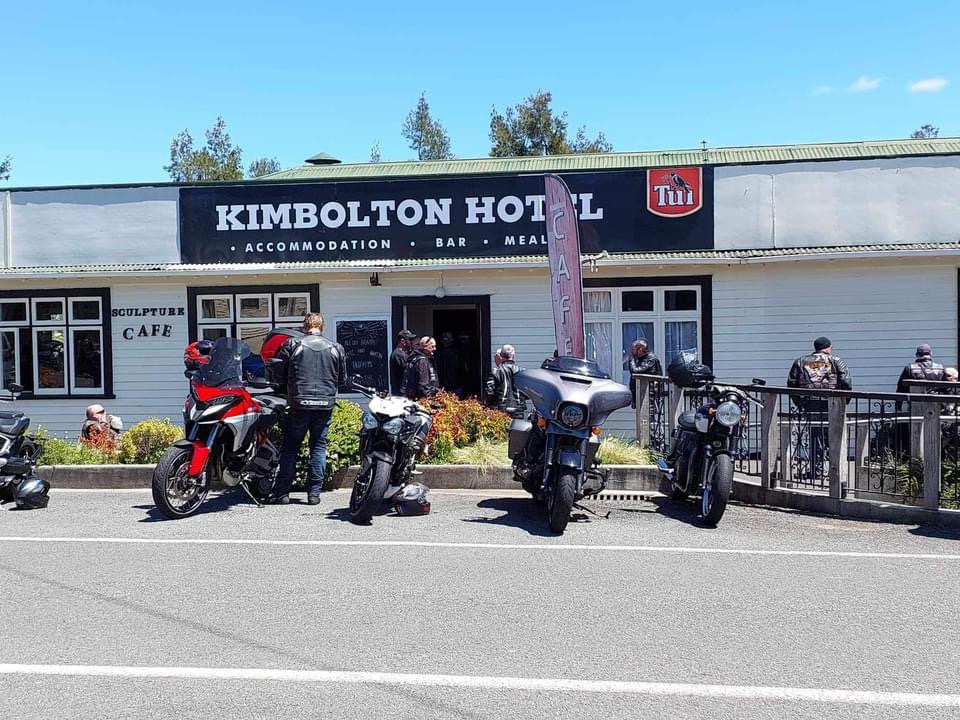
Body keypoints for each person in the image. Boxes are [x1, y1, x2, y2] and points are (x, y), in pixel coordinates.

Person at [268, 312, 347, 506]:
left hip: (299, 403)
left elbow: (278, 374)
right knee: (318, 448)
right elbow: (342, 380)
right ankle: (314, 494)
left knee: (290, 448)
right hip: (324, 404)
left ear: (305, 327)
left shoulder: (293, 344)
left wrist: (282, 389)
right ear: (322, 327)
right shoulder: (336, 348)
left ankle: (282, 493)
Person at [786, 336, 852, 480]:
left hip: (811, 403)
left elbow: (791, 384)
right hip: (833, 403)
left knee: (816, 436)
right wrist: (844, 402)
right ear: (828, 347)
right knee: (835, 436)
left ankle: (816, 470)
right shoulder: (836, 361)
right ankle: (836, 471)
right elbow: (846, 382)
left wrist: (800, 403)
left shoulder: (800, 361)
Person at [484, 344, 524, 415]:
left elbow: (489, 392)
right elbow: (528, 392)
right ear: (513, 356)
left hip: (501, 411)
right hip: (518, 410)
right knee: (518, 426)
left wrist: (491, 406)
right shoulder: (522, 372)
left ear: (501, 356)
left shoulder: (496, 371)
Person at [627, 339, 662, 409]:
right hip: (639, 392)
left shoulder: (650, 359)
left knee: (648, 416)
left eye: (633, 349)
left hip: (649, 394)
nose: (632, 352)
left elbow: (636, 371)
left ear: (640, 349)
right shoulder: (640, 358)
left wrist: (631, 360)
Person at [402, 336, 439, 401]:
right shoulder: (422, 361)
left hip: (412, 399)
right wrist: (429, 400)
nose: (435, 349)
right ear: (425, 347)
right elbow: (423, 386)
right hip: (421, 401)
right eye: (432, 346)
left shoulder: (413, 358)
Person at [434, 331, 462, 397]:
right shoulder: (437, 354)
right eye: (444, 338)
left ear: (452, 339)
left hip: (455, 386)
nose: (445, 340)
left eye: (447, 338)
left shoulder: (457, 353)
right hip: (443, 387)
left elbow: (462, 369)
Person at [389, 329, 417, 395]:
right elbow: (410, 370)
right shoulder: (399, 355)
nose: (411, 342)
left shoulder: (402, 353)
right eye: (410, 340)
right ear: (402, 341)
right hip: (401, 394)